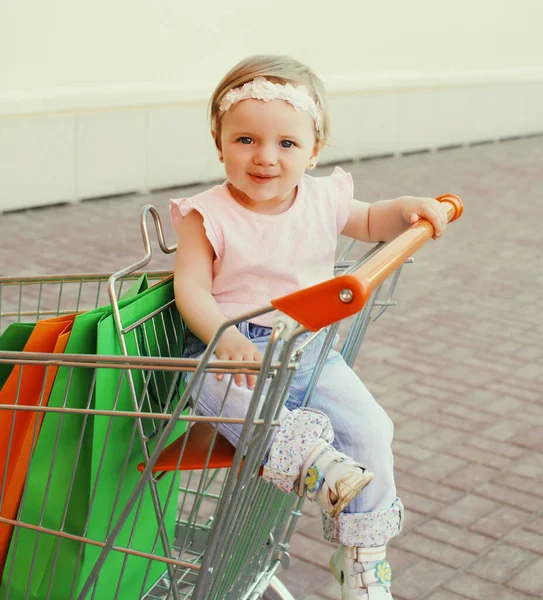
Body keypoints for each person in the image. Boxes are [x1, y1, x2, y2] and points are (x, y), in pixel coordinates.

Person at [170, 55, 449, 599]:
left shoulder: (323, 199)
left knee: (372, 430)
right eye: (246, 139)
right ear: (218, 140)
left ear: (314, 150)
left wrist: (411, 209)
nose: (266, 157)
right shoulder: (207, 216)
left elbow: (371, 220)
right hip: (232, 352)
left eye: (287, 144)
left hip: (309, 349)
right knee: (214, 391)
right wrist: (222, 335)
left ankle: (362, 558)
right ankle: (312, 463)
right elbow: (191, 291)